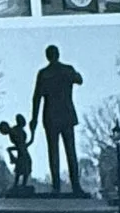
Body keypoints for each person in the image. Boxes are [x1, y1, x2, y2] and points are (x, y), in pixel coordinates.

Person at [31, 45, 84, 195]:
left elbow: (36, 98)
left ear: (47, 56)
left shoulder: (44, 74)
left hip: (51, 116)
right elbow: (79, 80)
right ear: (58, 54)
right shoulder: (67, 70)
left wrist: (34, 119)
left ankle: (56, 186)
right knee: (70, 151)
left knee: (53, 151)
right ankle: (75, 186)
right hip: (66, 114)